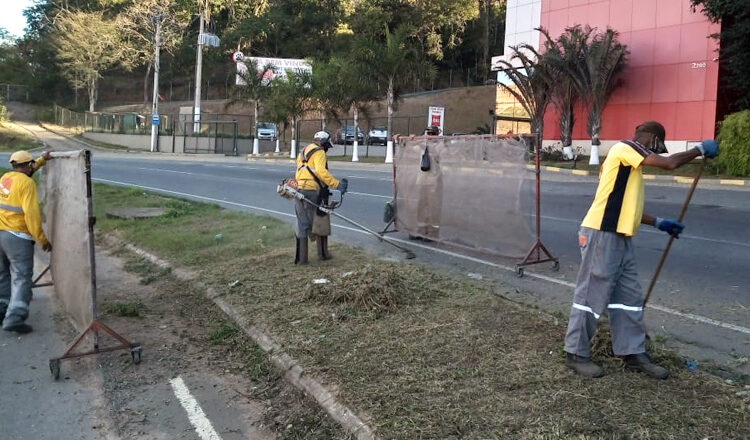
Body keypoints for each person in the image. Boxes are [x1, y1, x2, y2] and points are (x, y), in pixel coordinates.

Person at [563, 121, 719, 379]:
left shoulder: (630, 169)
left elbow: (627, 207)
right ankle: (575, 353)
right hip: (601, 233)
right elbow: (669, 163)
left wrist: (660, 223)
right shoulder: (625, 148)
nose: (653, 149)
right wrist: (699, 149)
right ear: (648, 136)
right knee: (591, 295)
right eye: (655, 143)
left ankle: (632, 354)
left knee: (630, 298)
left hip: (621, 236)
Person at [0, 150, 53, 334]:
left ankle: (2, 309)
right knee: (21, 277)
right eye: (31, 165)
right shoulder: (28, 184)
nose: (33, 167)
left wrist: (41, 160)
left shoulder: (5, 178)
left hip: (0, 233)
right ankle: (15, 317)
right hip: (17, 237)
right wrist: (42, 239)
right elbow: (32, 215)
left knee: (3, 274)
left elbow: (27, 172)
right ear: (26, 166)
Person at [294, 131, 348, 265]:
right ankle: (323, 255)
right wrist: (337, 185)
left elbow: (302, 171)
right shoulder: (319, 152)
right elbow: (321, 172)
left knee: (302, 224)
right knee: (320, 221)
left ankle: (301, 259)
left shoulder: (303, 152)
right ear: (323, 143)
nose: (327, 149)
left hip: (299, 189)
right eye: (327, 146)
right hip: (313, 191)